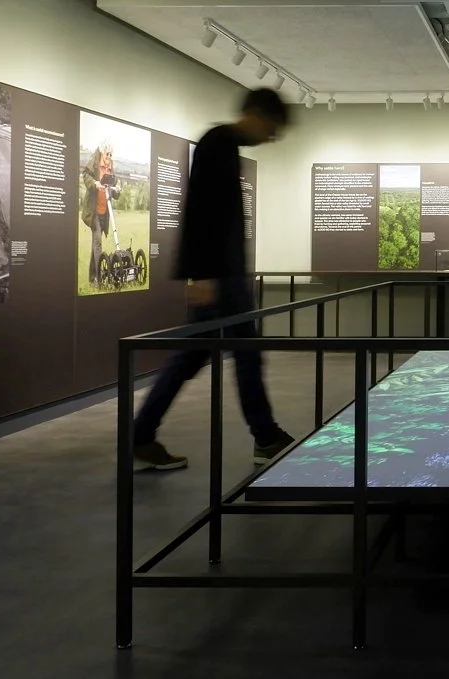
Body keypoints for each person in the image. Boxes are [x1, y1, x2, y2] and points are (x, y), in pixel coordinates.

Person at [131, 88, 294, 471]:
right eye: (271, 128)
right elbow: (200, 212)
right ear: (256, 115)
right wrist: (201, 274)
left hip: (224, 277)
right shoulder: (217, 144)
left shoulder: (224, 145)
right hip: (220, 280)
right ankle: (265, 436)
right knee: (245, 356)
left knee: (189, 358)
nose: (270, 138)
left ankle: (141, 434)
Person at [81, 143, 119, 287]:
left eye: (111, 154)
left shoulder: (111, 166)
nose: (109, 157)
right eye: (107, 154)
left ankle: (92, 279)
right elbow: (85, 175)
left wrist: (117, 190)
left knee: (94, 246)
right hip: (94, 211)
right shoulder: (95, 162)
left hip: (105, 211)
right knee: (98, 244)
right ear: (103, 152)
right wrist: (95, 183)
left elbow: (113, 188)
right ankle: (99, 280)